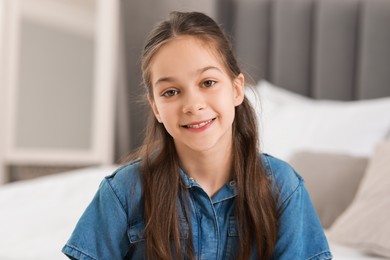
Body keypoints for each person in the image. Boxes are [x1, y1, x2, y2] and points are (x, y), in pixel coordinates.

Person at [62, 11, 332, 260]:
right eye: (170, 92)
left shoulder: (283, 187)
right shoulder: (123, 192)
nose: (193, 105)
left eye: (208, 83)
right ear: (155, 106)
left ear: (237, 89)